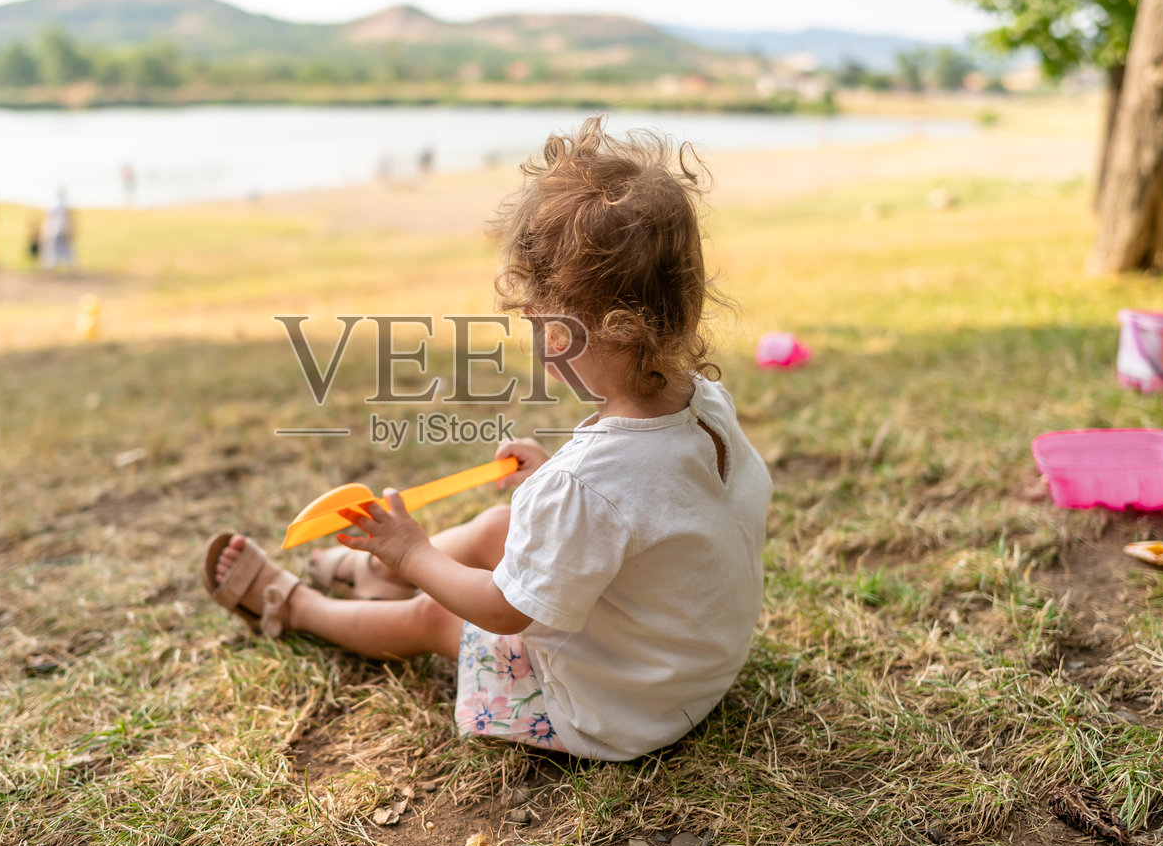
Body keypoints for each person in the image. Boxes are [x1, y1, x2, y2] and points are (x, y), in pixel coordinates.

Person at [204, 117, 771, 762]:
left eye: (543, 326)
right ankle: (370, 573)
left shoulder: (586, 486)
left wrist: (414, 552)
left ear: (588, 332)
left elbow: (505, 611)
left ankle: (298, 607)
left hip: (621, 706)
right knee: (498, 525)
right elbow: (646, 503)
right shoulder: (705, 402)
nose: (535, 336)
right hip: (685, 666)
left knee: (437, 616)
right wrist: (552, 479)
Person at [41, 188, 75, 269]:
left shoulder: (53, 205)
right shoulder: (62, 206)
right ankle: (68, 265)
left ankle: (53, 265)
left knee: (56, 249)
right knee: (64, 249)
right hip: (60, 230)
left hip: (55, 231)